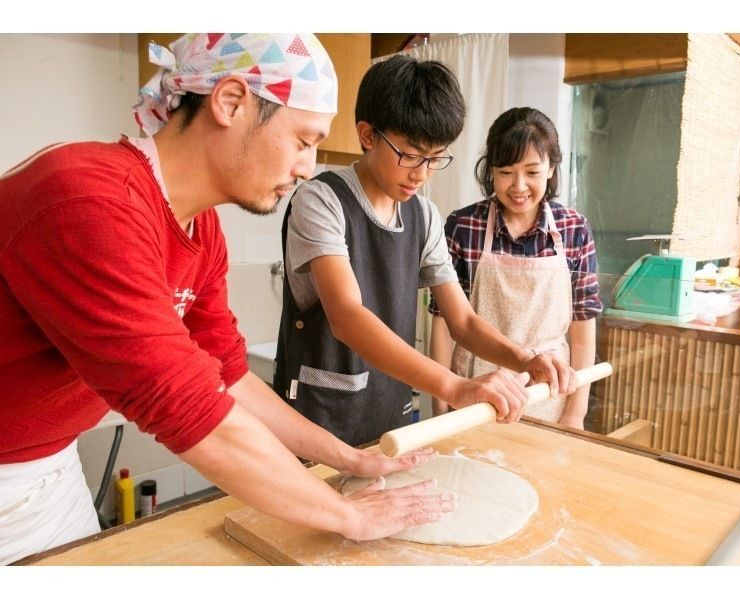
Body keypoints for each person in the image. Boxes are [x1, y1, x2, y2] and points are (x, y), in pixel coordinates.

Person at [0, 33, 456, 566]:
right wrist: (348, 516)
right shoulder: (89, 198)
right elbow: (184, 404)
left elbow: (228, 374)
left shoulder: (203, 230)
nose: (309, 167)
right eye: (303, 141)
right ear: (231, 101)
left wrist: (347, 457)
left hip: (49, 466)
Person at [274, 55, 576, 448]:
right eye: (411, 155)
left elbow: (463, 322)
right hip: (319, 423)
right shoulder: (321, 200)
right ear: (367, 135)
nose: (421, 174)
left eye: (435, 158)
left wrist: (524, 360)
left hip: (392, 422)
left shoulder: (424, 215)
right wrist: (454, 386)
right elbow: (347, 317)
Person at [429, 107, 603, 428]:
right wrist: (440, 407)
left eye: (532, 172)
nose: (519, 186)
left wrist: (574, 414)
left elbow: (582, 332)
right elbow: (444, 322)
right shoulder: (464, 225)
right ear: (490, 170)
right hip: (476, 397)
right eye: (506, 172)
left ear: (551, 169)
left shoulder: (574, 229)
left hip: (548, 395)